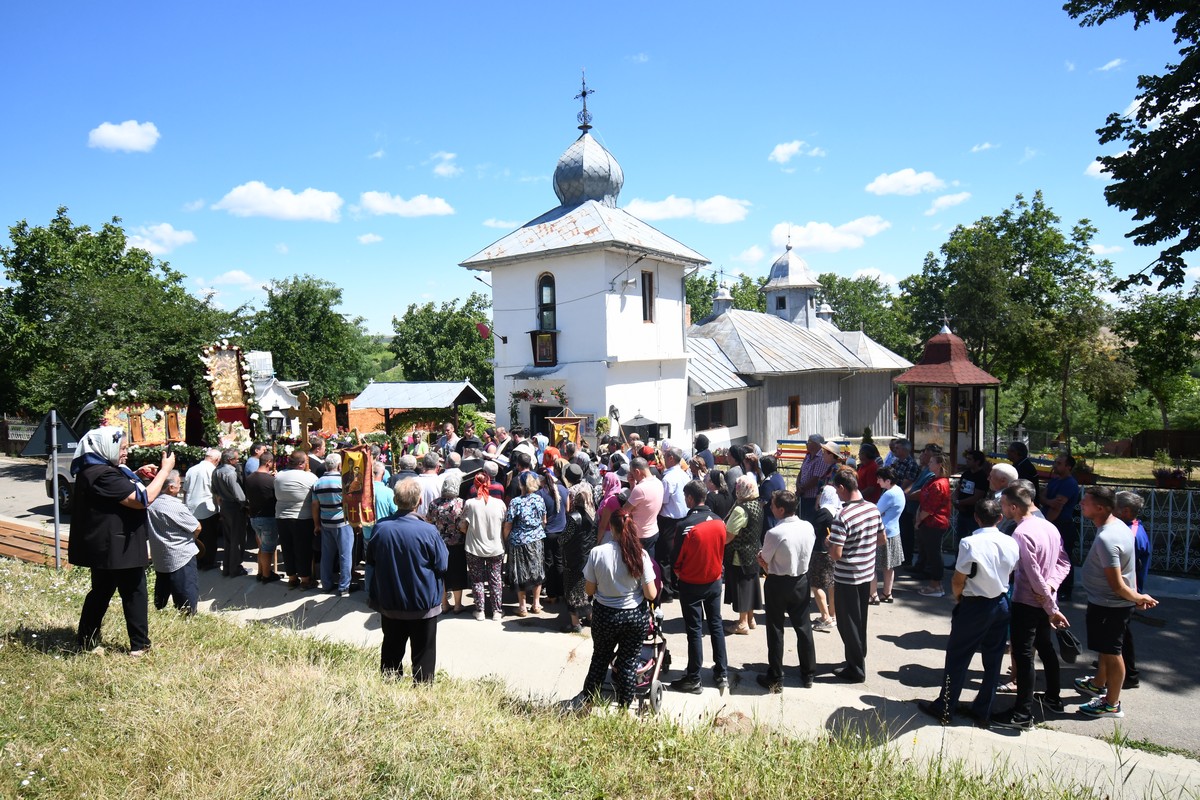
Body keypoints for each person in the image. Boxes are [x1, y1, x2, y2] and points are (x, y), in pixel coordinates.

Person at [71, 427, 175, 654]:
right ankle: (140, 646)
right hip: (118, 548)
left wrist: (136, 473)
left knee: (101, 592)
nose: (126, 452)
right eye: (122, 448)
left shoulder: (98, 469)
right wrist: (164, 472)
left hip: (108, 546)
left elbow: (116, 490)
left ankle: (86, 640)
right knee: (135, 593)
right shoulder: (103, 474)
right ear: (105, 447)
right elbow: (141, 499)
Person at [916, 497, 1019, 727]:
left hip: (976, 603)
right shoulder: (1010, 542)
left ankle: (946, 705)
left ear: (976, 517)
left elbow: (958, 578)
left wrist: (960, 597)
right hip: (1001, 602)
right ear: (1000, 518)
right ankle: (983, 708)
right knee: (993, 660)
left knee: (958, 656)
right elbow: (1011, 571)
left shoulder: (970, 543)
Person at [990, 483, 1071, 731]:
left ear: (1014, 507)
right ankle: (1053, 698)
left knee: (1024, 656)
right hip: (1042, 599)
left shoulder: (1021, 533)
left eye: (1003, 504)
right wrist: (1052, 590)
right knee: (1045, 647)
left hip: (1028, 602)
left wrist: (1049, 604)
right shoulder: (1049, 526)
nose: (1000, 508)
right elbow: (1064, 563)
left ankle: (1022, 714)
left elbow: (1033, 575)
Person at [1074, 486, 1157, 719]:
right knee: (1105, 648)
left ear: (1100, 508)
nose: (1081, 504)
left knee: (1112, 652)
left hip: (1109, 605)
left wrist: (1139, 598)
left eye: (1086, 502)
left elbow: (1117, 585)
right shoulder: (1116, 525)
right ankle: (1098, 683)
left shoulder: (1107, 538)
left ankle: (1111, 704)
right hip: (1105, 602)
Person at [571, 511, 658, 712]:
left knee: (600, 659)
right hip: (633, 616)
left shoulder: (597, 553)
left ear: (611, 528)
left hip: (604, 615)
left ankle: (588, 705)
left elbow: (589, 590)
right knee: (628, 664)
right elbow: (651, 594)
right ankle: (624, 711)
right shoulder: (640, 554)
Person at [367, 478, 448, 683]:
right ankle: (421, 690)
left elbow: (371, 560)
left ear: (395, 500)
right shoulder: (428, 531)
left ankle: (389, 686)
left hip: (391, 601)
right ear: (419, 501)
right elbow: (443, 564)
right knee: (424, 652)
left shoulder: (381, 528)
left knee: (391, 649)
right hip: (422, 603)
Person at [670, 480, 728, 695]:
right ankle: (722, 673)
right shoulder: (720, 521)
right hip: (714, 580)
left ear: (691, 498)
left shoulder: (685, 525)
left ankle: (694, 678)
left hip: (691, 582)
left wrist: (678, 573)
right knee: (716, 625)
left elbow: (676, 557)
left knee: (694, 630)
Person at [756, 489, 817, 692]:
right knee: (803, 627)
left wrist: (763, 563)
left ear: (781, 509)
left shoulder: (775, 533)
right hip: (801, 580)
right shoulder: (807, 526)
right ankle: (808, 673)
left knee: (775, 629)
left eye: (773, 505)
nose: (771, 508)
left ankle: (776, 676)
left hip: (778, 582)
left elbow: (765, 559)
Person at [827, 467, 882, 683]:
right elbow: (882, 539)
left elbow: (837, 554)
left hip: (847, 577)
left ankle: (856, 668)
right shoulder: (872, 508)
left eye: (837, 490)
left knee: (847, 623)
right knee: (860, 621)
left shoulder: (843, 516)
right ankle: (858, 656)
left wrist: (829, 544)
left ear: (842, 487)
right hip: (866, 573)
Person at [146, 468, 201, 615]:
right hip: (181, 555)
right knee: (186, 591)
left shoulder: (151, 504)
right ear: (171, 487)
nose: (180, 485)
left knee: (162, 590)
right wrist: (193, 539)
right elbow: (196, 527)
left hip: (160, 555)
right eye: (178, 482)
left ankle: (160, 610)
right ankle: (188, 616)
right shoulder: (175, 506)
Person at [1113, 491, 1150, 688]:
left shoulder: (1131, 533)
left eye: (1114, 506)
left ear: (1125, 511)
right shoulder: (1129, 528)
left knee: (1121, 633)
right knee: (1118, 632)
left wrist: (1133, 596)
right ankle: (1112, 662)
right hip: (1127, 591)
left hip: (1126, 591)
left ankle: (1129, 673)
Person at [459, 473, 506, 621]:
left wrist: (471, 532)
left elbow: (462, 526)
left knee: (477, 579)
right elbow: (505, 525)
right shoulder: (500, 504)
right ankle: (497, 611)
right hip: (496, 547)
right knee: (496, 578)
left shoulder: (470, 504)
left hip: (474, 547)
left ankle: (480, 610)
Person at [503, 471, 548, 616]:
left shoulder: (516, 502)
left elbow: (508, 524)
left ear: (521, 484)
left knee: (520, 572)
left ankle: (522, 607)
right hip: (536, 540)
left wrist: (505, 539)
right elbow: (544, 520)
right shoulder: (539, 500)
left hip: (519, 540)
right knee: (537, 571)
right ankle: (536, 604)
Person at [724, 475, 764, 635]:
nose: (735, 490)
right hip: (753, 551)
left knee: (741, 587)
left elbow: (729, 535)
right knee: (751, 585)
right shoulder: (756, 504)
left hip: (738, 554)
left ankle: (742, 623)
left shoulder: (741, 509)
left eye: (737, 487)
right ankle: (750, 619)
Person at [274, 450, 319, 589]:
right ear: (301, 464)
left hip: (281, 517)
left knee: (287, 548)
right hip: (302, 517)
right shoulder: (310, 477)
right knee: (303, 549)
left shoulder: (279, 476)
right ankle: (305, 579)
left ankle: (292, 578)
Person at [312, 452, 354, 596]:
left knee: (327, 555)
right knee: (345, 555)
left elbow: (315, 505)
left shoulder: (317, 483)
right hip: (342, 522)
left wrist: (317, 524)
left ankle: (326, 584)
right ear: (339, 465)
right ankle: (344, 587)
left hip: (325, 522)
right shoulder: (343, 481)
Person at [1042, 454, 1081, 602]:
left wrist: (1045, 524)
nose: (1055, 465)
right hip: (1052, 524)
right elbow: (1042, 496)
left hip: (1062, 526)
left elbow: (1056, 506)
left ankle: (1066, 590)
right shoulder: (1055, 480)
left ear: (1068, 467)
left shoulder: (1069, 483)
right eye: (1055, 462)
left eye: (1059, 463)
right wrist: (1048, 501)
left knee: (1064, 559)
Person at [560, 486, 597, 632]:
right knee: (586, 590)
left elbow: (564, 538)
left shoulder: (574, 517)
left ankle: (575, 624)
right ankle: (590, 618)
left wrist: (560, 542)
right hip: (588, 557)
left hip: (573, 558)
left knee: (572, 590)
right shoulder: (594, 516)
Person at [429, 476, 467, 613]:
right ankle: (458, 605)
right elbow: (464, 524)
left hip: (438, 543)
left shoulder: (434, 504)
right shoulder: (461, 503)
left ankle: (444, 604)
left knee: (441, 573)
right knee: (457, 572)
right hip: (457, 543)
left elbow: (430, 521)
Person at [916, 453, 952, 597]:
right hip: (928, 521)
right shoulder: (933, 479)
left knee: (934, 554)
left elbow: (931, 507)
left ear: (939, 465)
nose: (929, 464)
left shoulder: (939, 484)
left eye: (932, 462)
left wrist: (919, 520)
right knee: (931, 553)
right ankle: (934, 583)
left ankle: (936, 585)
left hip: (934, 523)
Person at [656, 446, 689, 602]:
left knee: (665, 556)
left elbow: (663, 500)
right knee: (678, 554)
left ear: (670, 458)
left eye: (665, 456)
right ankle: (677, 588)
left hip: (669, 520)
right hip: (682, 518)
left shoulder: (669, 478)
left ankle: (668, 591)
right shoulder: (684, 475)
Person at [362, 460, 398, 595]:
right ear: (382, 474)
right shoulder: (388, 492)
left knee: (370, 563)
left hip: (367, 532)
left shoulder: (363, 491)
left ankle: (369, 591)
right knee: (385, 563)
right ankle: (385, 591)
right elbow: (395, 511)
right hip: (384, 534)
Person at [245, 449, 281, 583]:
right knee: (268, 548)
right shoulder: (271, 480)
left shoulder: (249, 478)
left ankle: (261, 572)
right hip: (268, 517)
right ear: (269, 463)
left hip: (254, 516)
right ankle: (266, 575)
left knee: (262, 546)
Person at [211, 448, 248, 578]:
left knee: (228, 538)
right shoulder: (231, 473)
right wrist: (246, 506)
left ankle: (227, 567)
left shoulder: (216, 471)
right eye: (236, 459)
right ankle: (235, 568)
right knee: (237, 539)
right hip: (234, 507)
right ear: (230, 460)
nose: (237, 461)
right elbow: (240, 496)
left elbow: (214, 490)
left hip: (225, 506)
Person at [182, 448, 221, 570]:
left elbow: (185, 490)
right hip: (208, 509)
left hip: (192, 509)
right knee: (210, 538)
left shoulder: (191, 470)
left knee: (197, 538)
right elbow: (216, 492)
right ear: (216, 460)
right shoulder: (213, 470)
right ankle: (208, 562)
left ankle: (198, 560)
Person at [809, 486, 840, 631]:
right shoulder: (838, 510)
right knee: (831, 584)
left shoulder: (824, 512)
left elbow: (813, 530)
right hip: (832, 551)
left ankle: (825, 617)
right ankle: (832, 614)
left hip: (820, 552)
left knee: (817, 585)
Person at [538, 464, 570, 603]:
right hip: (562, 530)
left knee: (548, 563)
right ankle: (561, 591)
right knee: (559, 562)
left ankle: (551, 595)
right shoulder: (563, 489)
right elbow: (568, 509)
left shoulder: (540, 494)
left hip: (548, 532)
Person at [873, 466, 905, 604]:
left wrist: (881, 512)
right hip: (894, 531)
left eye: (880, 479)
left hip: (882, 532)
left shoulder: (888, 494)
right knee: (889, 566)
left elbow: (876, 511)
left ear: (888, 480)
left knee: (872, 565)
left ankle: (872, 595)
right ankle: (887, 593)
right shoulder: (898, 490)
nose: (877, 482)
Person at [622, 457, 664, 551]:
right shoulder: (658, 482)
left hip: (639, 535)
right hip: (652, 531)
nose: (632, 476)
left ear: (637, 471)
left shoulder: (640, 489)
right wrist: (632, 485)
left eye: (632, 473)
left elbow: (625, 510)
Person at [954, 449, 991, 544]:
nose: (967, 461)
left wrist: (960, 502)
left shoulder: (982, 477)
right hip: (962, 513)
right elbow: (958, 489)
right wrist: (955, 500)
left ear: (977, 462)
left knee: (972, 541)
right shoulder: (966, 474)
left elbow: (977, 497)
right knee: (960, 540)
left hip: (973, 515)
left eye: (969, 459)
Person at [796, 434, 832, 521]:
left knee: (810, 521)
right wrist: (797, 484)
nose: (806, 444)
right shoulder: (808, 455)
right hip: (802, 495)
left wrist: (803, 488)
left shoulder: (821, 458)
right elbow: (801, 471)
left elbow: (816, 479)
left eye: (809, 442)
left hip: (812, 498)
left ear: (816, 444)